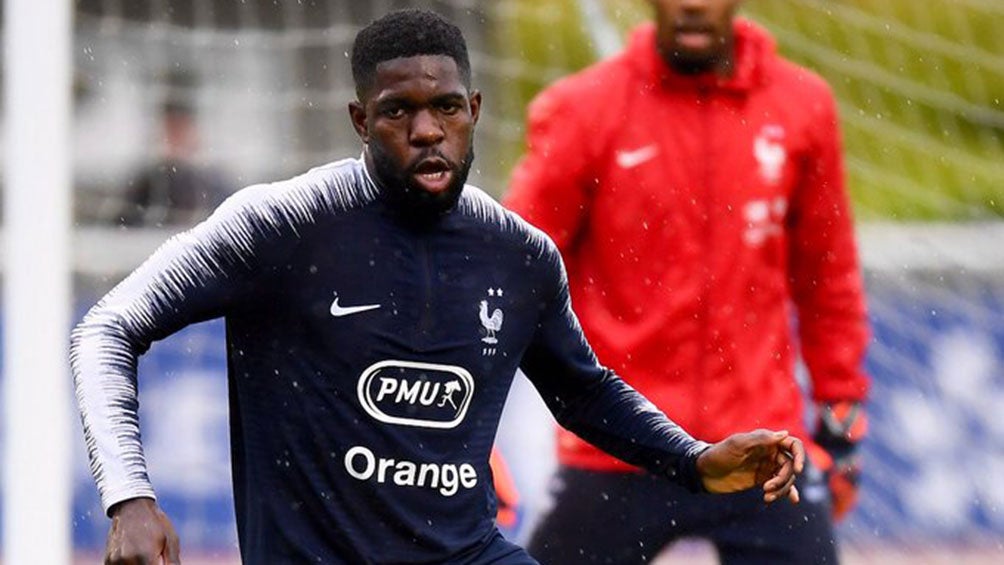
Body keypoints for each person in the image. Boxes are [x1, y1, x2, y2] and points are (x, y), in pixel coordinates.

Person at [71, 9, 805, 565]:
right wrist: (129, 497)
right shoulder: (283, 224)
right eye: (398, 112)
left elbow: (584, 389)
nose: (427, 130)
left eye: (446, 108)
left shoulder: (520, 254)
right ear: (361, 120)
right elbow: (107, 327)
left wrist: (694, 458)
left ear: (474, 111)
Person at [504, 0, 870, 563]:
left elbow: (828, 277)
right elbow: (511, 272)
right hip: (620, 446)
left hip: (762, 450)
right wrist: (465, 421)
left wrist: (840, 413)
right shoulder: (582, 109)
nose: (693, 4)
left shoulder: (803, 105)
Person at [116, 95, 229, 226]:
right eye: (170, 130)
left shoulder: (217, 186)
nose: (174, 140)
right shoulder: (143, 187)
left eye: (180, 130)